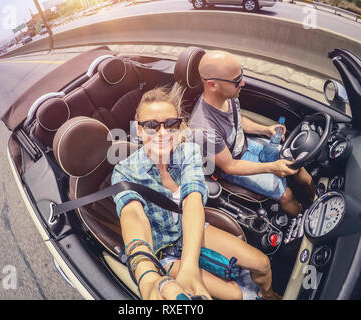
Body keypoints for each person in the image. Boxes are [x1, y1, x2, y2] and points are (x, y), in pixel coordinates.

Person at [111, 85, 281, 300]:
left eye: (171, 124)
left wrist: (189, 265)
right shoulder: (125, 172)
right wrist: (147, 276)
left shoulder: (187, 151)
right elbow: (133, 217)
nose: (163, 133)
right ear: (139, 130)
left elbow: (192, 200)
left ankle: (269, 296)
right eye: (152, 126)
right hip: (163, 250)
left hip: (189, 228)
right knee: (235, 295)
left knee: (263, 264)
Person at [189, 50, 315, 217]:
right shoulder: (203, 130)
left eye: (241, 75)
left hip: (247, 145)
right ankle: (304, 218)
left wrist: (265, 129)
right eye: (236, 81)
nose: (243, 83)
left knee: (295, 163)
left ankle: (316, 198)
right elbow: (230, 166)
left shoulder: (228, 95)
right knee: (286, 195)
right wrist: (271, 168)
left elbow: (237, 120)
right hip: (235, 163)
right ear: (212, 85)